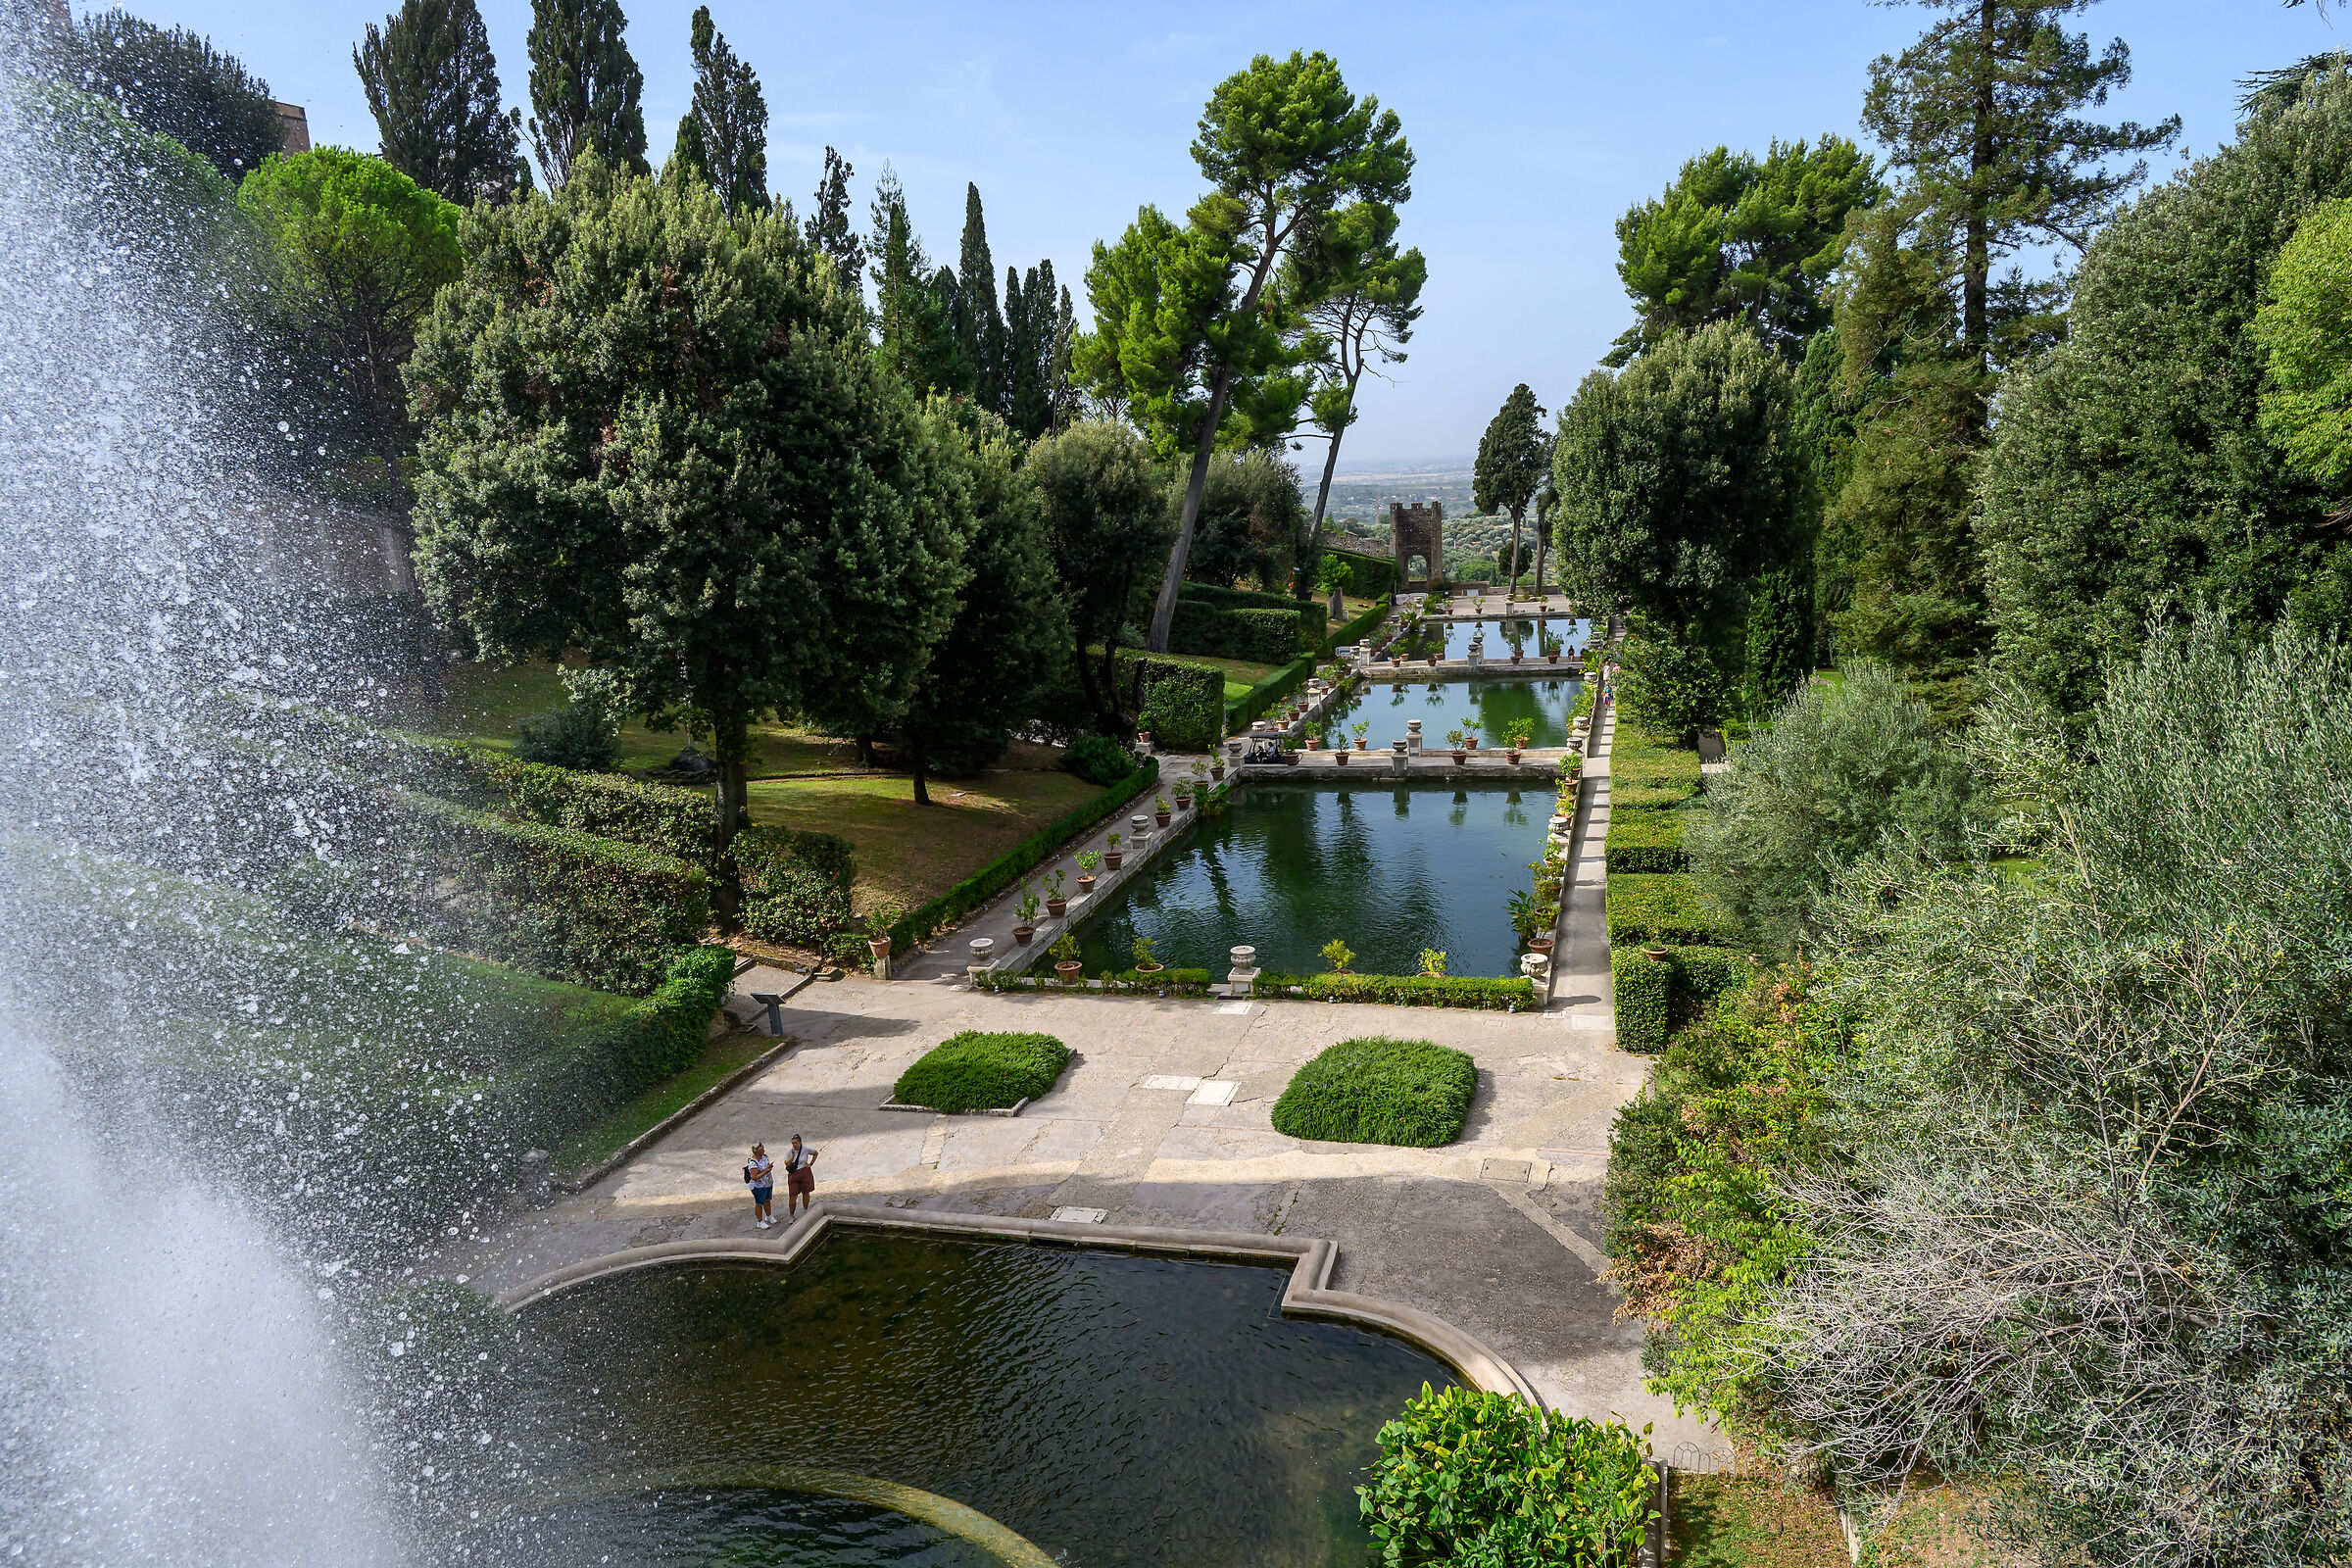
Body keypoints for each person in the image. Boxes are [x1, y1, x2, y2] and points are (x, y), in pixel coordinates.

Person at [781, 1134, 819, 1218]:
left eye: (796, 1143)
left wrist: (811, 1164)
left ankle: (805, 1210)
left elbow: (815, 1153)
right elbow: (786, 1163)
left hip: (804, 1172)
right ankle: (791, 1214)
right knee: (793, 1196)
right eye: (793, 1143)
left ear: (800, 1142)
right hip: (794, 1174)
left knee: (806, 1193)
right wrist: (793, 1156)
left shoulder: (805, 1149)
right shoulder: (789, 1151)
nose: (794, 1145)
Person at [744, 1143, 775, 1230]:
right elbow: (754, 1177)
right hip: (759, 1186)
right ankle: (760, 1221)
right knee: (759, 1203)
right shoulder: (753, 1163)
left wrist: (768, 1168)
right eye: (762, 1150)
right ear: (757, 1152)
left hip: (767, 1183)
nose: (764, 1151)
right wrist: (766, 1171)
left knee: (767, 1200)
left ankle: (769, 1216)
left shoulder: (764, 1157)